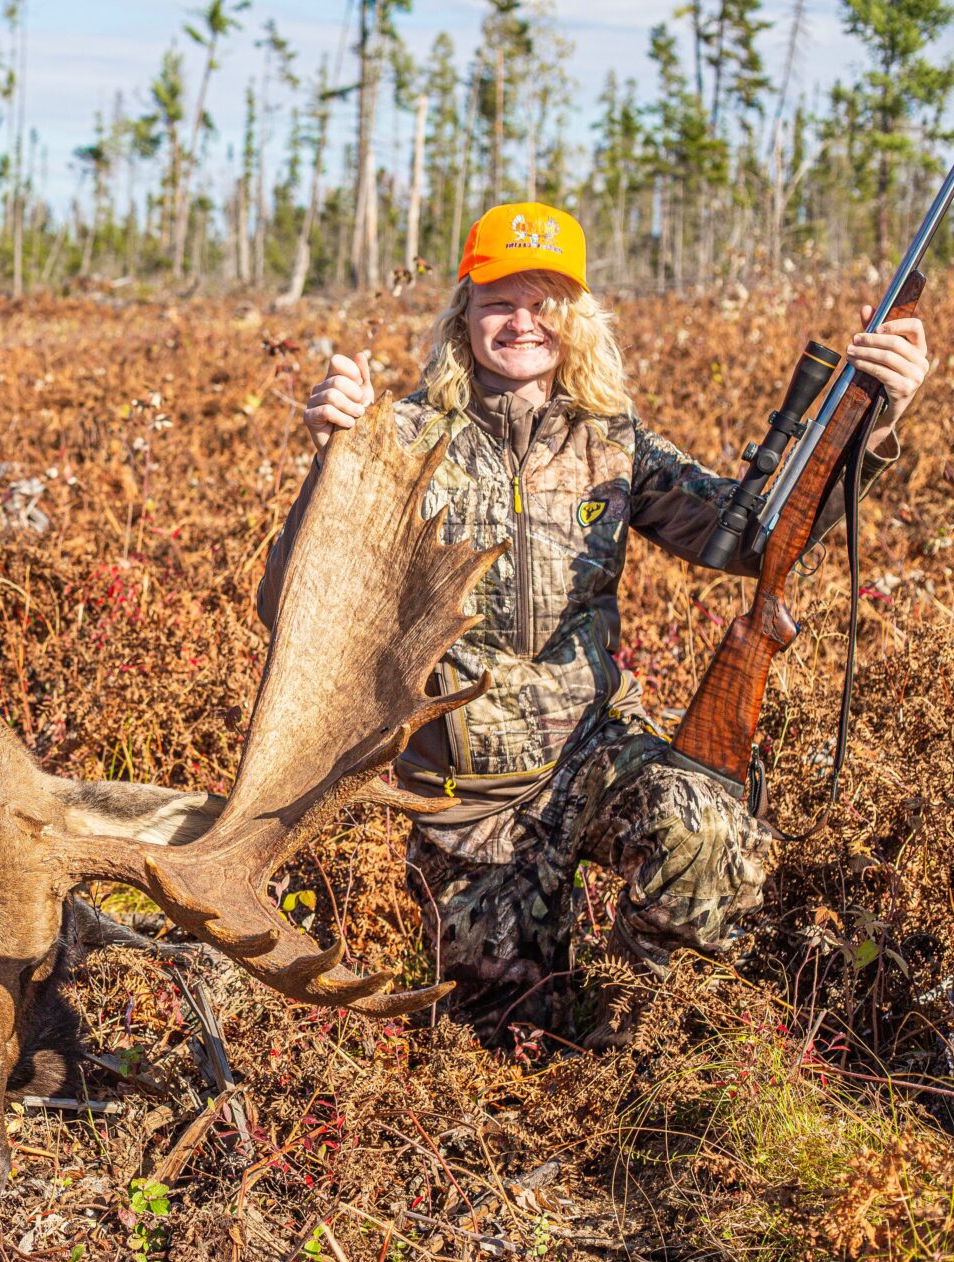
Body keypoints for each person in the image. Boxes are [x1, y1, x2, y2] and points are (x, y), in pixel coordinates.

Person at [260, 203, 931, 1048]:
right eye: (501, 298)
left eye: (546, 300)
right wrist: (335, 460)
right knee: (499, 1046)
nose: (522, 321)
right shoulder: (399, 437)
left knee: (705, 830)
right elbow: (287, 607)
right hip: (470, 801)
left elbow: (751, 537)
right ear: (463, 313)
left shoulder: (614, 445)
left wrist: (876, 420)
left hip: (592, 751)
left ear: (575, 318)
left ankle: (638, 1047)